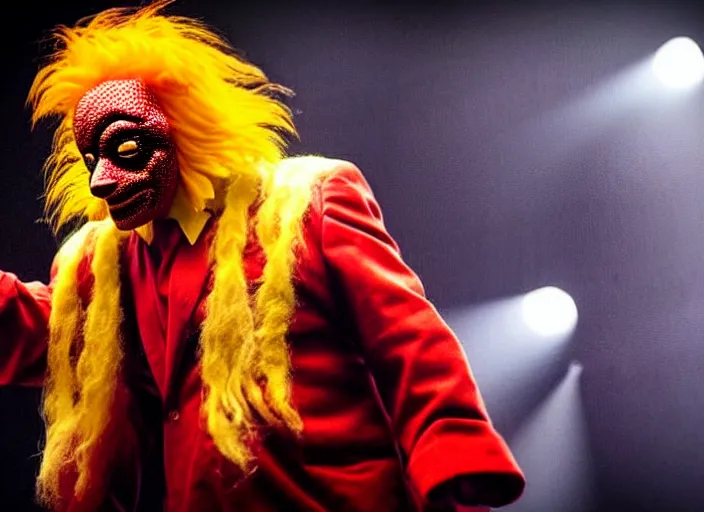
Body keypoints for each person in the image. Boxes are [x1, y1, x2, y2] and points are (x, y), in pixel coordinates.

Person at [0, 2, 525, 511]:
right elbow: (52, 330)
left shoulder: (305, 205)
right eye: (92, 159)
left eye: (126, 150)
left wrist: (456, 463)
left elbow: (406, 337)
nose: (101, 179)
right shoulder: (114, 264)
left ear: (182, 128)